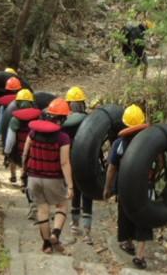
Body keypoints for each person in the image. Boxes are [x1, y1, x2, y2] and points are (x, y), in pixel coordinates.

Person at [22, 98, 74, 254]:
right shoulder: (63, 138)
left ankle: (46, 245)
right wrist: (70, 185)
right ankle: (55, 234)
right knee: (62, 204)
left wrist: (24, 172)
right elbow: (64, 163)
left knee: (42, 210)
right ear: (62, 118)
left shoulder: (33, 132)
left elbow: (25, 153)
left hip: (34, 178)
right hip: (53, 179)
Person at [104, 104, 152, 269]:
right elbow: (159, 162)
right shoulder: (151, 142)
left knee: (125, 214)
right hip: (145, 188)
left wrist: (107, 188)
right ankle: (140, 255)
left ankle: (128, 242)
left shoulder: (119, 143)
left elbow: (112, 168)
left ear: (124, 124)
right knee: (144, 218)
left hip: (125, 187)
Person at [62, 86, 94, 245]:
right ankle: (87, 233)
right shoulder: (91, 121)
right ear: (82, 103)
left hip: (73, 163)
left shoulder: (65, 123)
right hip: (88, 163)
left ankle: (75, 226)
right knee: (87, 195)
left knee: (75, 193)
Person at [4, 88, 41, 219]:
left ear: (18, 103)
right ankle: (40, 205)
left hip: (23, 154)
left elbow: (10, 140)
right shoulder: (39, 116)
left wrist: (7, 153)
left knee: (26, 179)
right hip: (38, 153)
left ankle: (32, 205)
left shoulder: (15, 120)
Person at [0, 76, 22, 143]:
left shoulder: (5, 93)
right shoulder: (19, 95)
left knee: (1, 122)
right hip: (12, 109)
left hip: (5, 108)